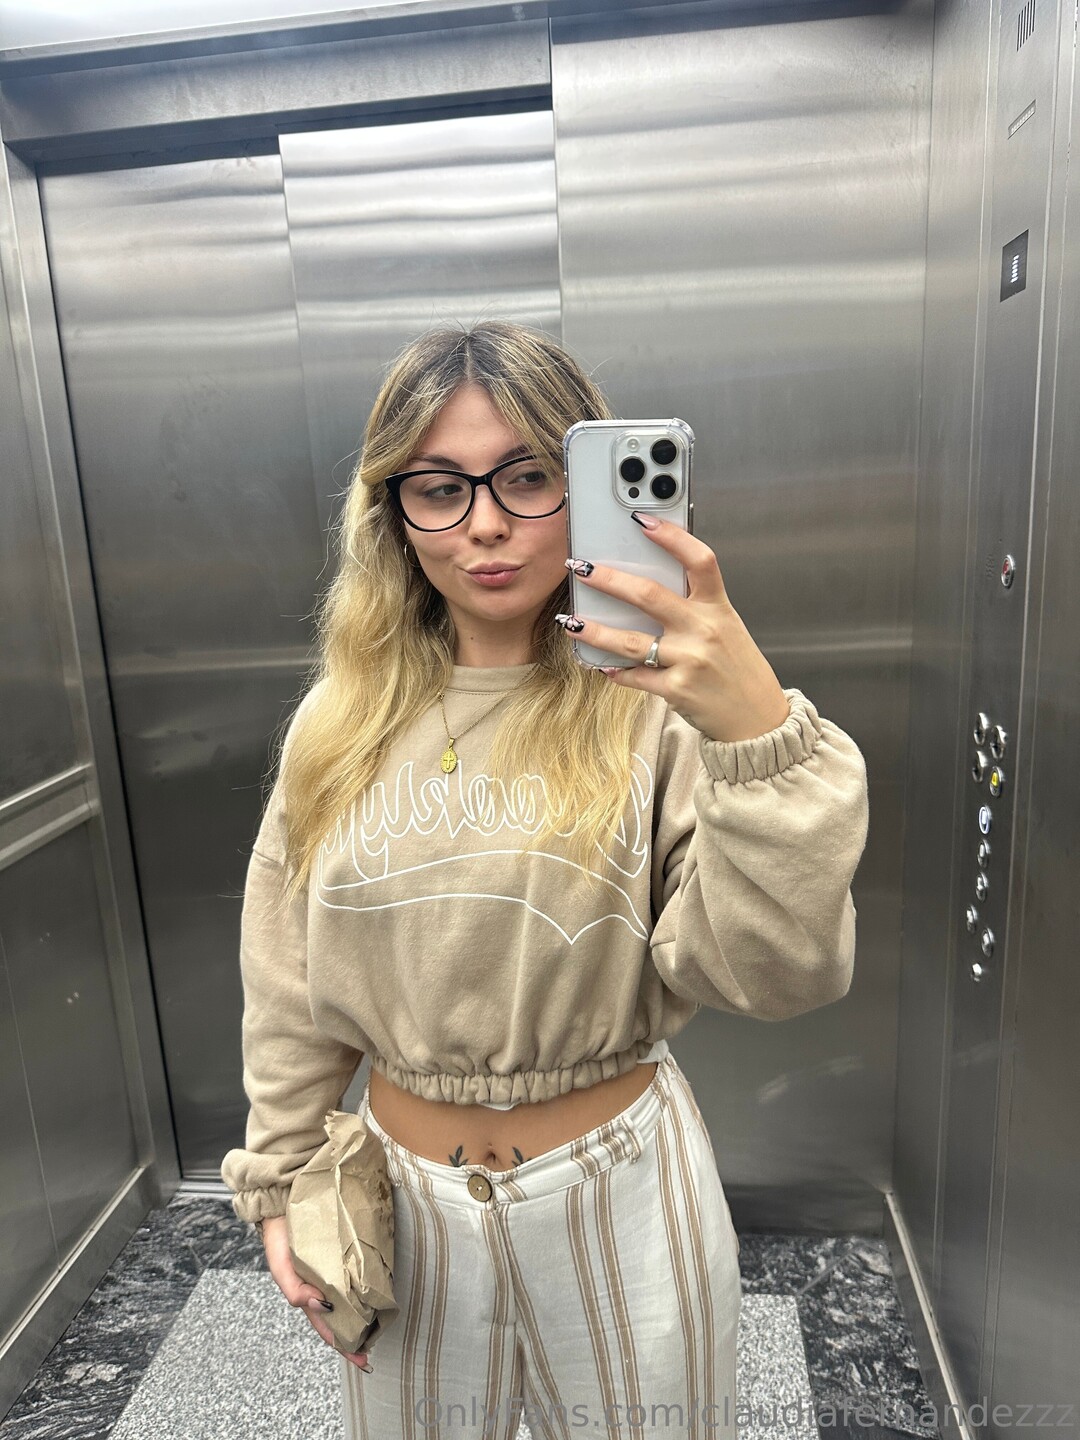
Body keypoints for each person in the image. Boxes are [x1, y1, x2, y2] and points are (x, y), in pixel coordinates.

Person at [221, 320, 869, 1440]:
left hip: (622, 1197)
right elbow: (286, 978)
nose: (484, 524)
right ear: (393, 513)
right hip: (400, 1208)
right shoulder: (340, 725)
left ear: (588, 485)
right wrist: (279, 1175)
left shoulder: (660, 713)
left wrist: (756, 734)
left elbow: (773, 978)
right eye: (439, 488)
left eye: (527, 478)